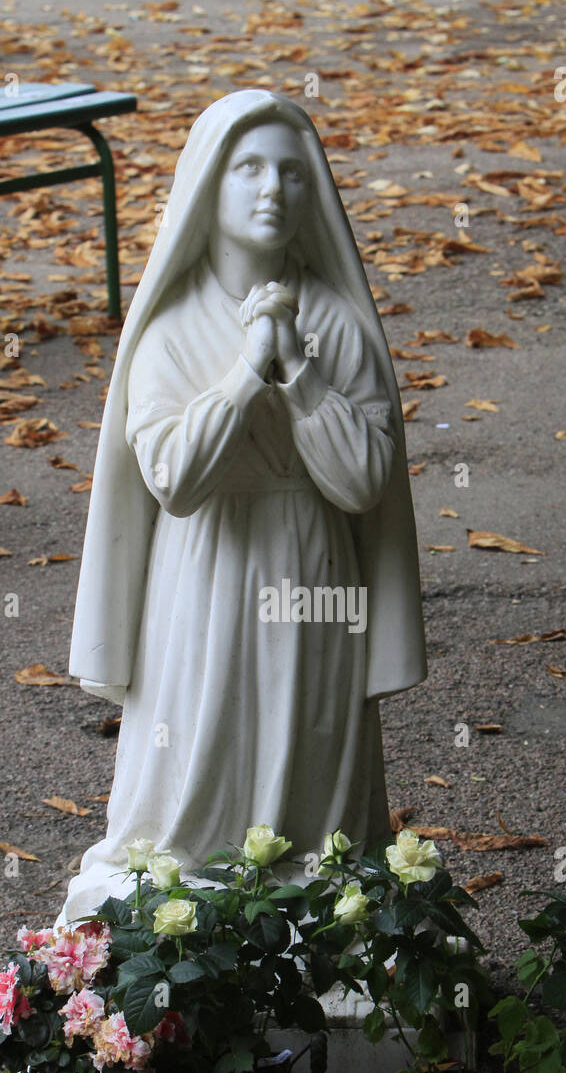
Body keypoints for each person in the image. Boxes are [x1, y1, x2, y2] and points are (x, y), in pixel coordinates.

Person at [58, 89, 426, 925]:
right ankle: (182, 909)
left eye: (295, 174)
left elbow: (364, 481)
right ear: (209, 187)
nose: (274, 190)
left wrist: (299, 373)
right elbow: (176, 481)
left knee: (310, 758)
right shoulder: (172, 328)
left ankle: (320, 896)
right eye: (249, 168)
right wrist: (245, 370)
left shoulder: (338, 322)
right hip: (204, 575)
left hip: (316, 569)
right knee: (194, 759)